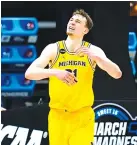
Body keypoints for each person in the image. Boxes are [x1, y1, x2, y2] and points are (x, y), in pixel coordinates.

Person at [25, 9, 122, 145]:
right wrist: (55, 72)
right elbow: (29, 73)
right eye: (71, 20)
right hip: (58, 116)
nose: (72, 22)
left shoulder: (93, 51)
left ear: (85, 30)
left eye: (77, 22)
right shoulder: (53, 49)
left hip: (82, 116)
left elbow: (117, 74)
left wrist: (98, 58)